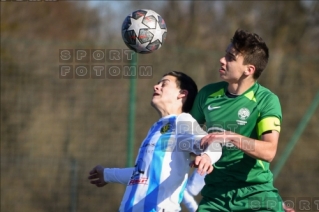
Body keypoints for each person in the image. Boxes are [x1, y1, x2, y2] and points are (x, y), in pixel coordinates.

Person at [88, 71, 222, 212]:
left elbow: (214, 144)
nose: (156, 87)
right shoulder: (157, 127)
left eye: (164, 84)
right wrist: (107, 174)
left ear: (182, 94)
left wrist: (207, 157)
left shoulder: (182, 121)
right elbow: (142, 174)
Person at [190, 29, 287, 212]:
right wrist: (201, 154)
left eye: (230, 57)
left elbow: (269, 151)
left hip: (256, 194)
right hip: (215, 196)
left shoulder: (267, 100)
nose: (222, 60)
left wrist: (230, 137)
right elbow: (187, 135)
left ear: (249, 70)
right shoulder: (207, 95)